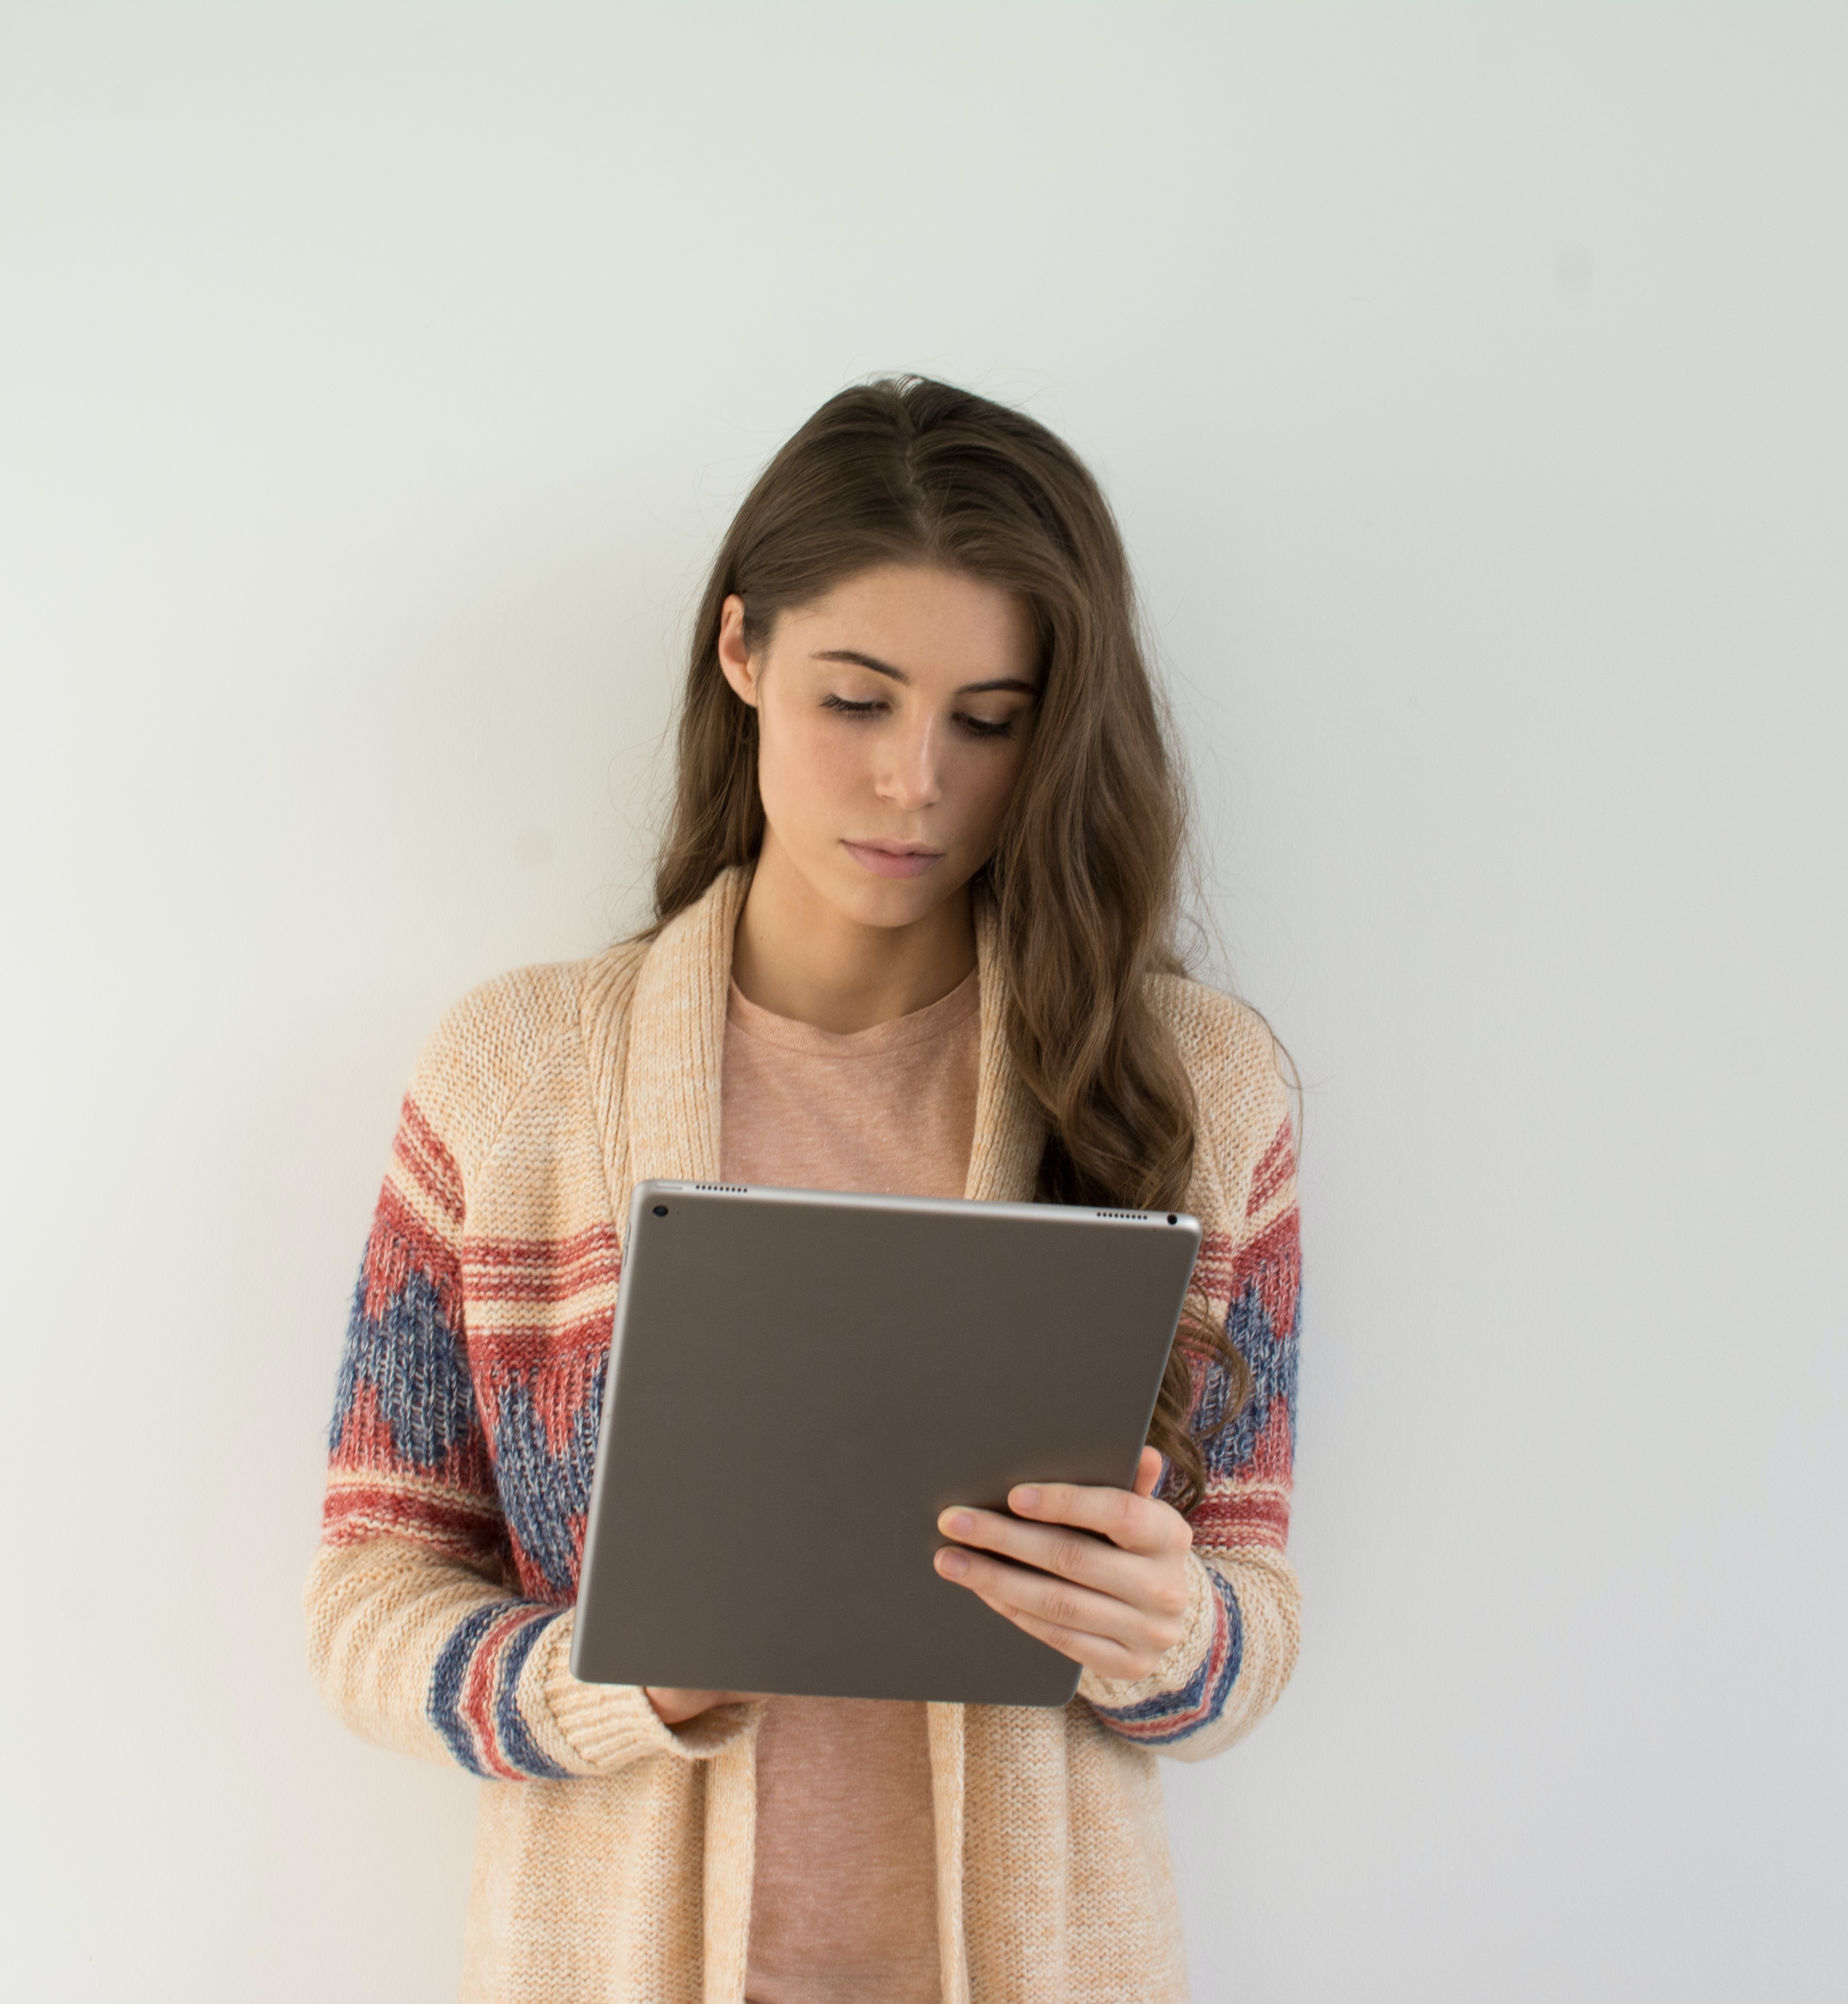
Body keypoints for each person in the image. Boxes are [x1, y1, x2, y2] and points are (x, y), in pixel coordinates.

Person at [307, 376, 1302, 2004]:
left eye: (990, 719)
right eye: (858, 699)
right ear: (743, 654)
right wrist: (611, 1683)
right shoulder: (516, 1075)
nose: (917, 781)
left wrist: (1173, 1634)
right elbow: (368, 1593)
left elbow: (1250, 1610)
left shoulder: (1195, 1086)